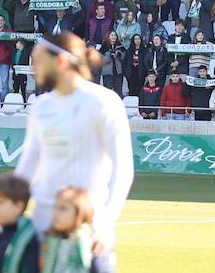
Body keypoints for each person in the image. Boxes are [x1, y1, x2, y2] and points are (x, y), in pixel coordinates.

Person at [15, 32, 133, 273]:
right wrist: (9, 213)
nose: (33, 67)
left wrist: (105, 224)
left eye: (38, 60)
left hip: (88, 232)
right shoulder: (41, 107)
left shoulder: (104, 102)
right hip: (42, 232)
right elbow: (27, 169)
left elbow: (123, 170)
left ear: (60, 62)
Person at [39, 186, 96, 273]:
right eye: (55, 207)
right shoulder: (48, 239)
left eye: (63, 208)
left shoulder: (89, 244)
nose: (56, 213)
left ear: (79, 212)